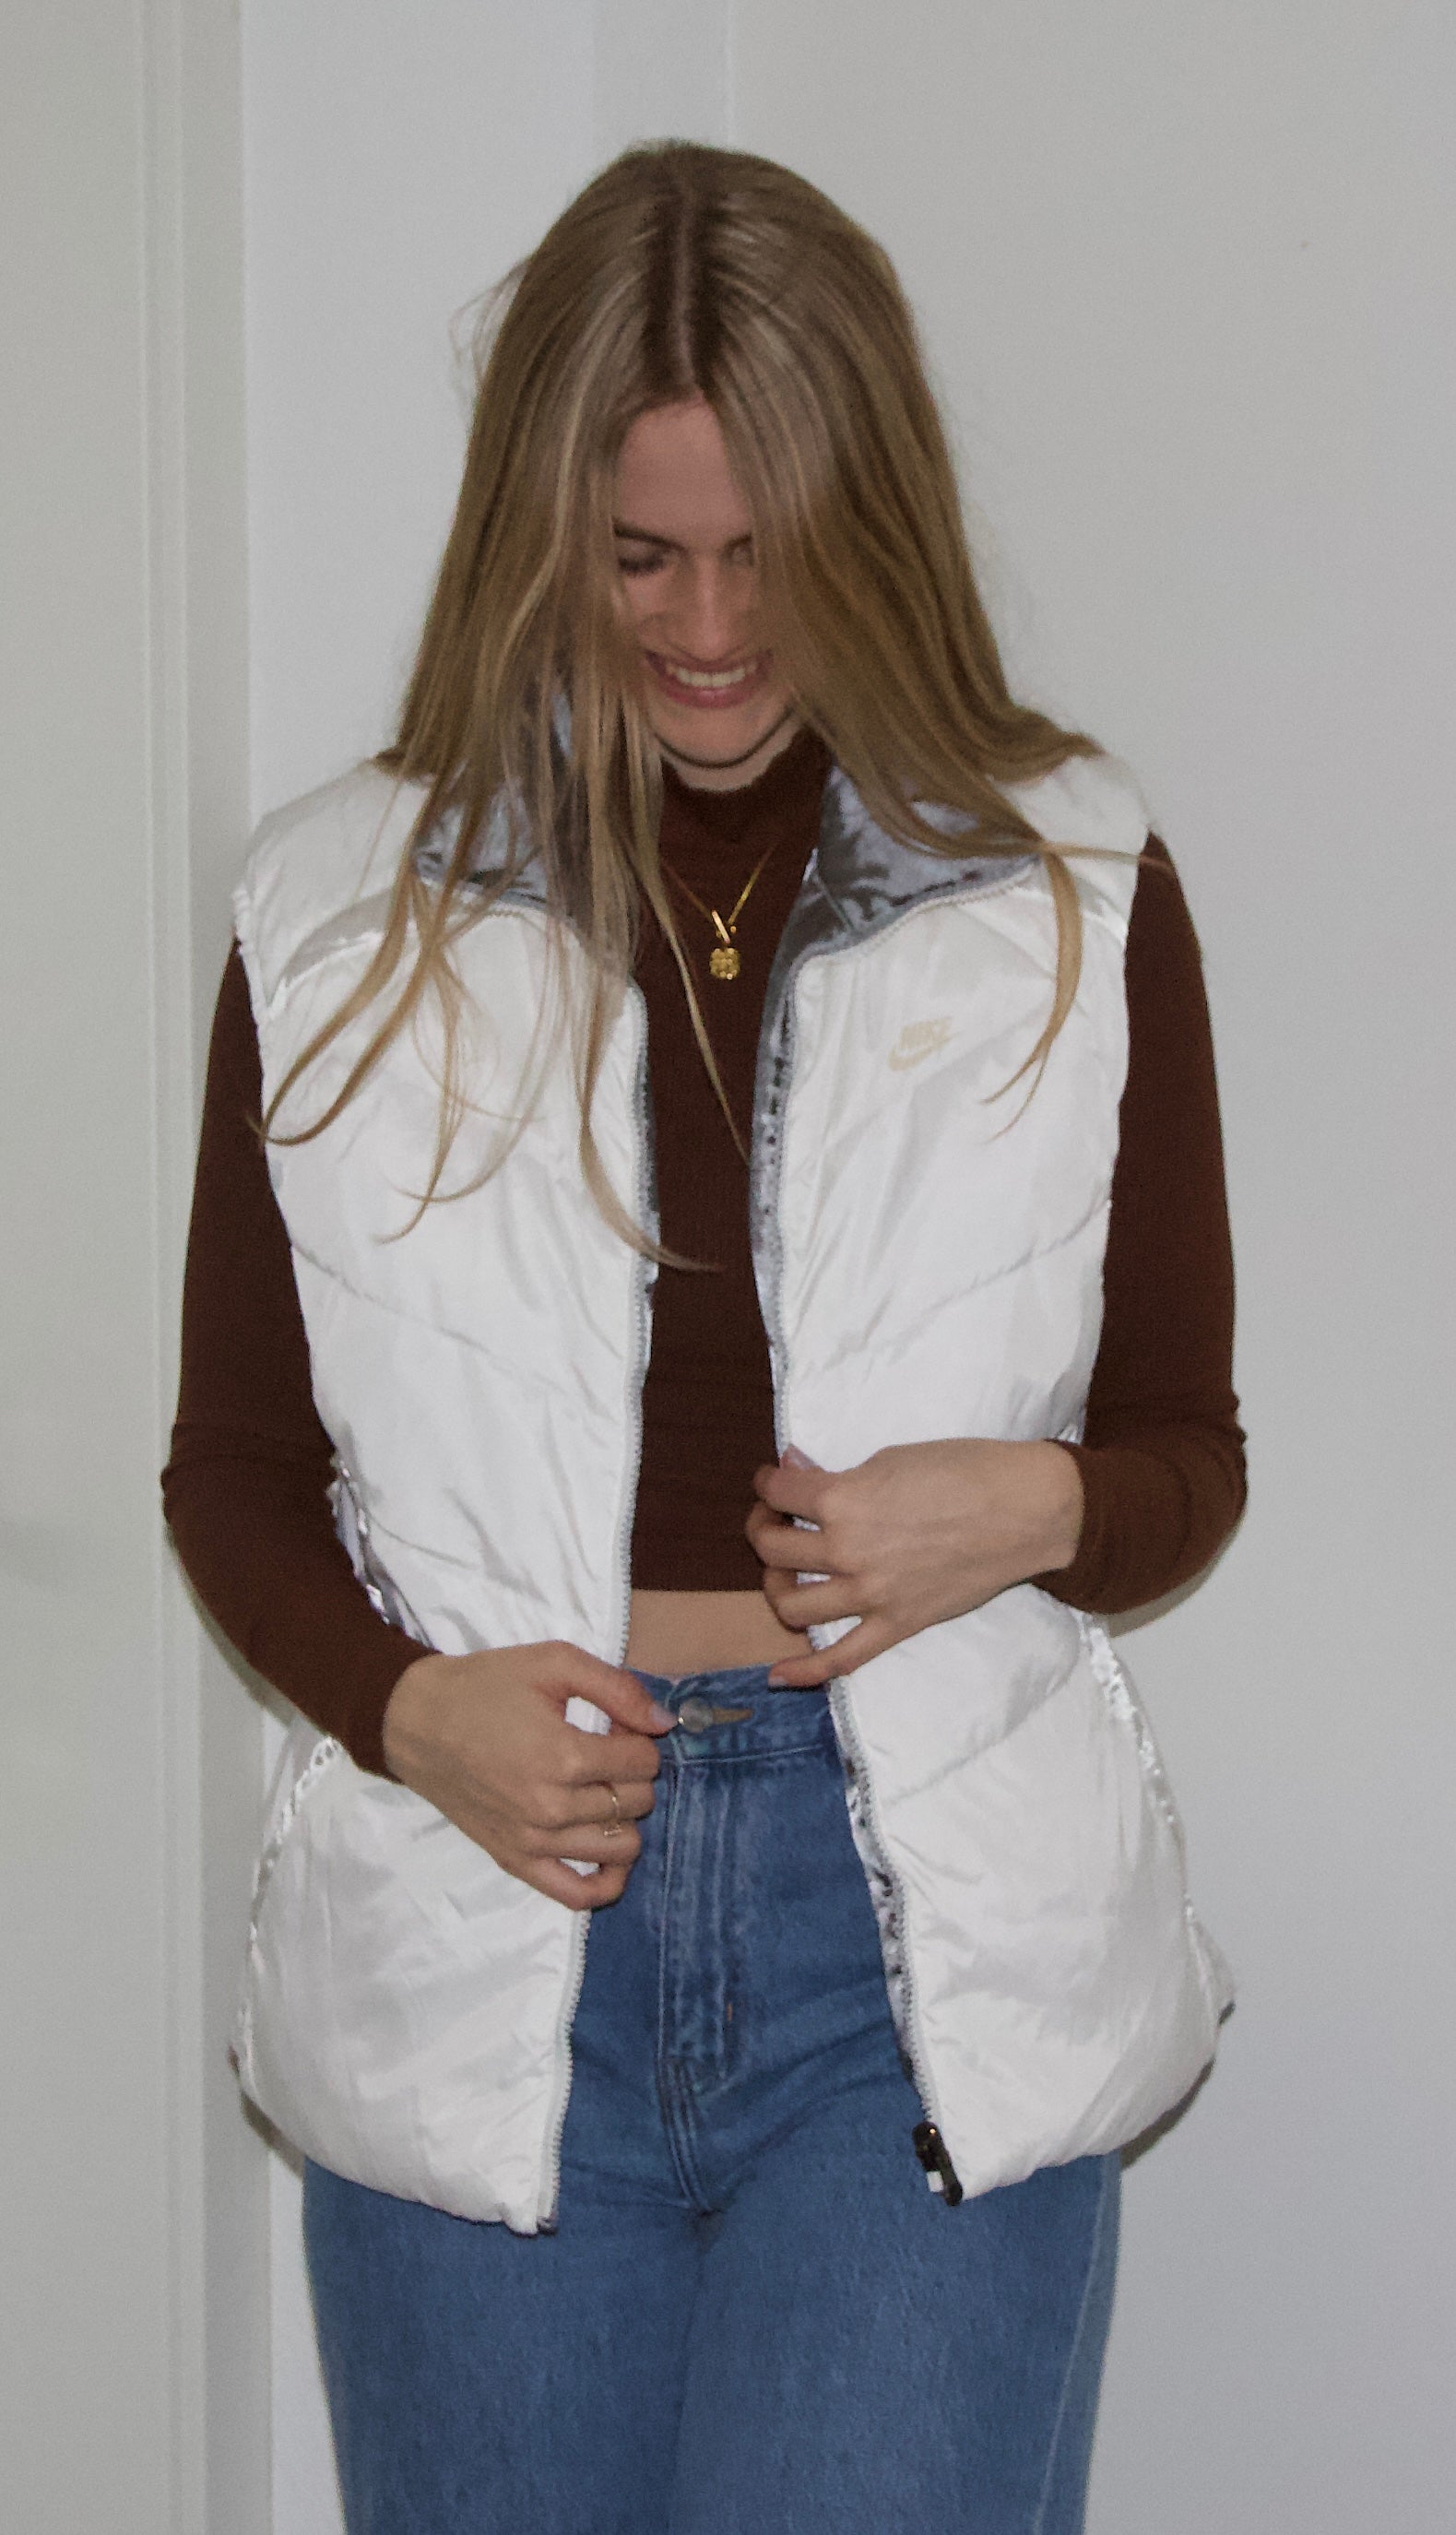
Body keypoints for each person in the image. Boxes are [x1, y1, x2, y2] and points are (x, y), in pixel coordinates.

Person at [164, 142, 1245, 2535]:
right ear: (534, 532)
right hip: (483, 1929)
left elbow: (1187, 1451)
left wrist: (1028, 1508)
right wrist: (406, 1709)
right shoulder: (331, 911)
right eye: (640, 555)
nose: (713, 626)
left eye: (772, 550)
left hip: (913, 1958)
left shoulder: (1072, 881)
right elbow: (230, 1465)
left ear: (876, 526)